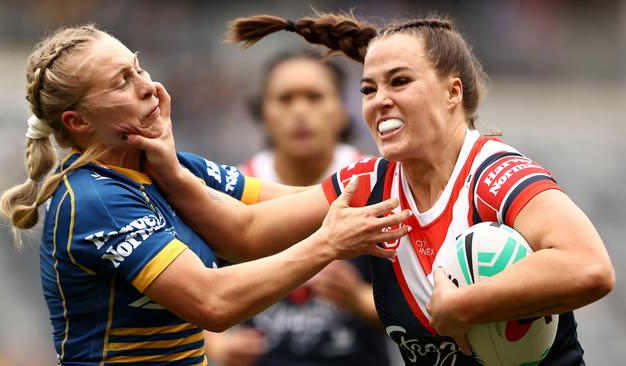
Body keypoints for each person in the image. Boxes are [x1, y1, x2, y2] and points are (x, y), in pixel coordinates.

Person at [126, 13, 615, 366]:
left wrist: (458, 307)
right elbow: (246, 230)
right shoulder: (370, 183)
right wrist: (169, 165)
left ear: (452, 92)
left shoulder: (494, 175)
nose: (380, 101)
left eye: (399, 82)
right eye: (367, 89)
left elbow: (590, 267)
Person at [0, 25, 411, 365]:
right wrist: (328, 243)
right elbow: (212, 302)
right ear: (78, 121)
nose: (148, 86)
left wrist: (402, 176)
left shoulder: (168, 165)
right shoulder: (95, 199)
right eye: (122, 82)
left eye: (138, 69)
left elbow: (253, 227)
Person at [205, 51, 393, 366]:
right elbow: (188, 290)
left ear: (343, 110)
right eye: (285, 98)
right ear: (262, 111)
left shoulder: (380, 185)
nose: (300, 111)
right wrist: (217, 344)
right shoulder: (230, 191)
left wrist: (359, 300)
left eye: (315, 96)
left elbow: (428, 310)